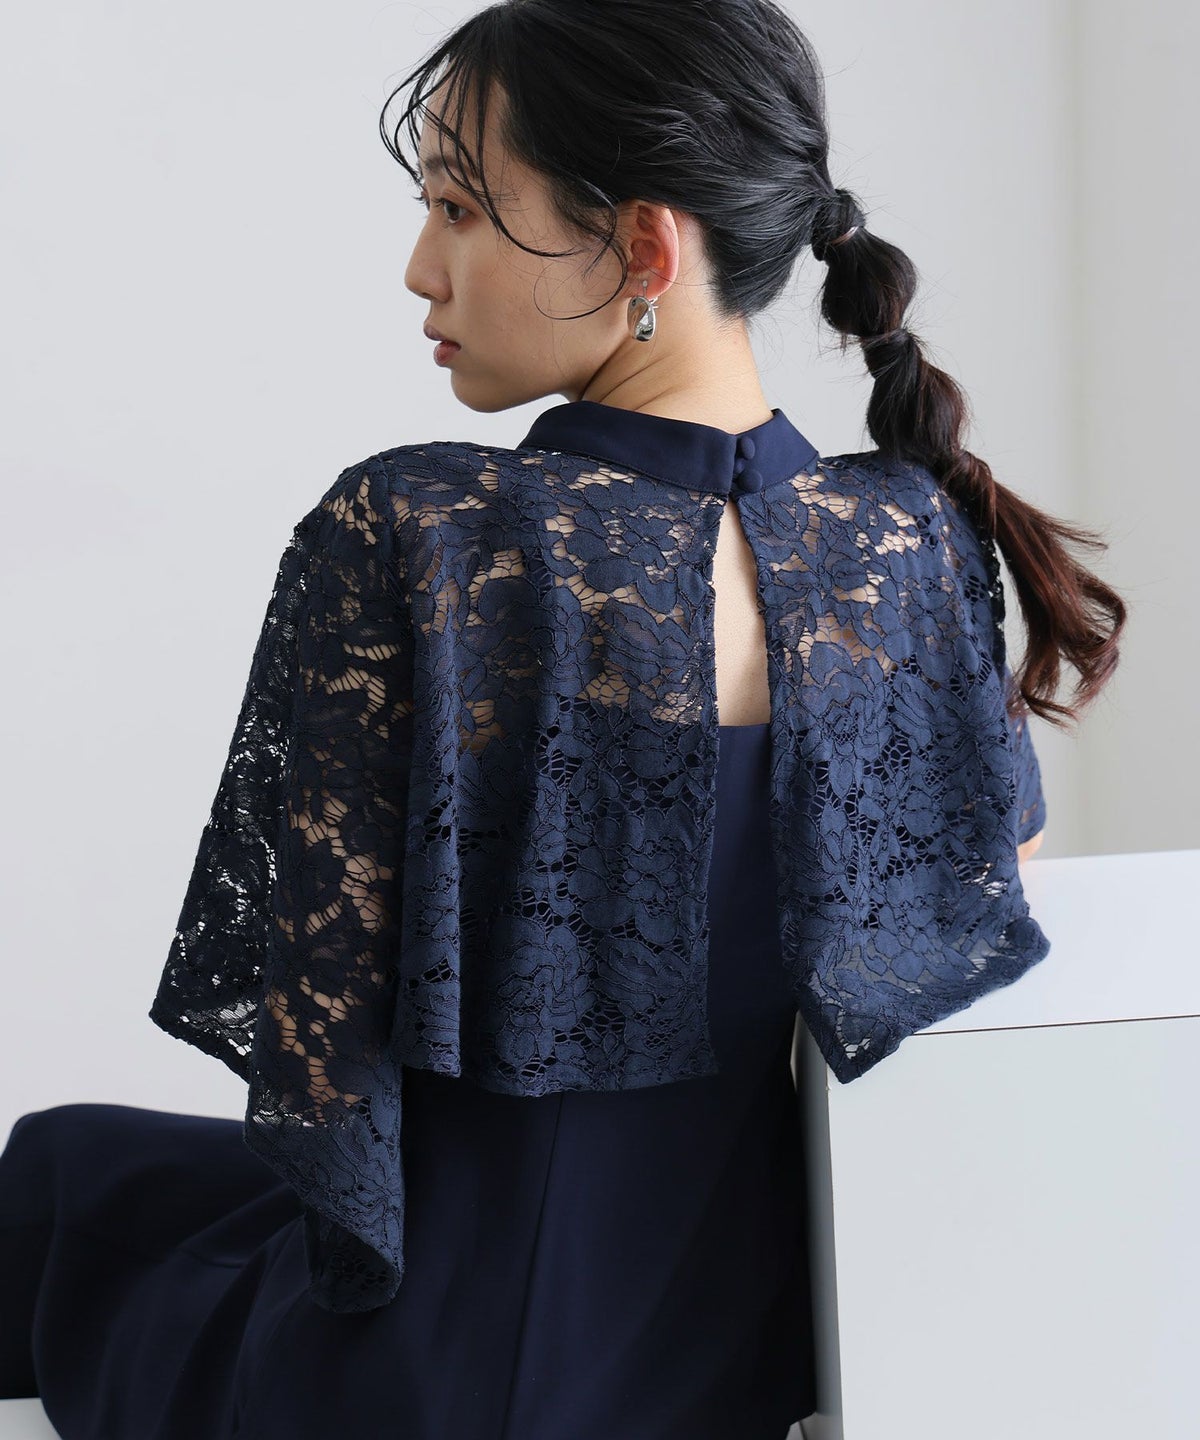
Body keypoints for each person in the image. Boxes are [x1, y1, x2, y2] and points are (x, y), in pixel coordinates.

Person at [0, 2, 1126, 1436]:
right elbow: (969, 955)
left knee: (60, 1184)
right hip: (734, 1358)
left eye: (462, 210)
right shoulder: (911, 545)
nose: (422, 267)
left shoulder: (424, 530)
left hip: (425, 1369)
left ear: (644, 250)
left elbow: (326, 1052)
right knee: (97, 1172)